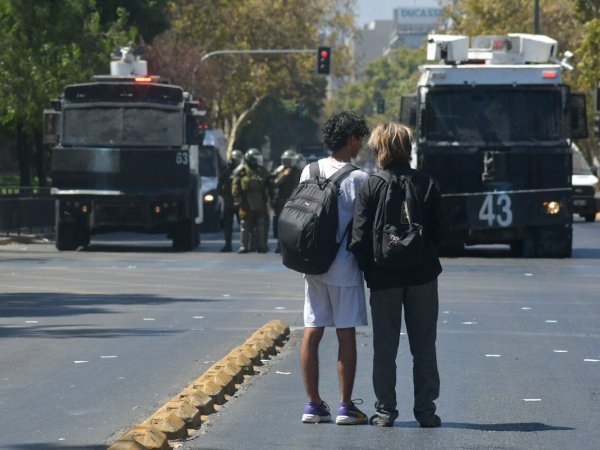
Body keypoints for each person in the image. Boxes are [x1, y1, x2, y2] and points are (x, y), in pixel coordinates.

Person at [349, 122, 448, 428]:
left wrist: (372, 271)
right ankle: (426, 412)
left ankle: (385, 411)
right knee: (424, 346)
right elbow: (442, 234)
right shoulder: (427, 184)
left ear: (380, 149)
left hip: (383, 280)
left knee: (385, 348)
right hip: (423, 278)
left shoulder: (371, 186)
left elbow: (359, 239)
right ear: (407, 148)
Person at [300, 111, 370, 426]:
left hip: (313, 264)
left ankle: (313, 404)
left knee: (312, 331)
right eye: (360, 139)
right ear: (352, 138)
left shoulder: (309, 170)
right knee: (345, 333)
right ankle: (345, 406)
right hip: (344, 266)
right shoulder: (359, 178)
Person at [232, 148, 271, 253]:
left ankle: (262, 245)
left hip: (260, 200)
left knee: (261, 223)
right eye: (255, 159)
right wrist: (236, 198)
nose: (257, 161)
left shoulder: (262, 170)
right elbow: (235, 185)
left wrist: (270, 196)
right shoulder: (241, 171)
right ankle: (243, 246)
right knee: (244, 223)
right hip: (245, 201)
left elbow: (268, 184)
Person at [271, 149, 301, 253]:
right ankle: (280, 246)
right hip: (282, 201)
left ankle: (293, 246)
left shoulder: (298, 171)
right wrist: (284, 174)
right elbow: (275, 183)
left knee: (295, 224)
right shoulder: (280, 171)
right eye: (285, 160)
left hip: (295, 201)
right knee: (281, 224)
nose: (287, 163)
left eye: (289, 160)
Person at [217, 149, 244, 252]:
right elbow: (219, 187)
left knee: (243, 224)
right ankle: (228, 245)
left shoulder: (243, 172)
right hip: (229, 203)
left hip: (239, 202)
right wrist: (224, 196)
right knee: (227, 226)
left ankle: (244, 245)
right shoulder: (226, 172)